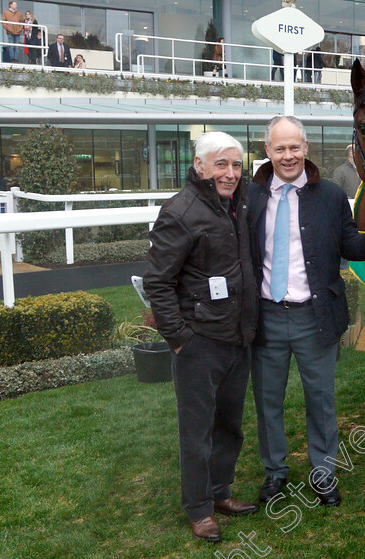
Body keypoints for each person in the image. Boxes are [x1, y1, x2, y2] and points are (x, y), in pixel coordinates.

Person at [248, 116, 365, 508]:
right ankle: (275, 472)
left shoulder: (328, 195)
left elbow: (349, 244)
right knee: (268, 400)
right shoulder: (252, 196)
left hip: (316, 317)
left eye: (295, 147)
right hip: (267, 316)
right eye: (280, 148)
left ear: (306, 148)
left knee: (321, 400)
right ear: (268, 152)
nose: (288, 155)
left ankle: (323, 472)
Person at [143, 131, 260, 542]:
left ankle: (219, 492)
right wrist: (179, 339)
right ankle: (198, 508)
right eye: (221, 164)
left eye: (236, 165)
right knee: (197, 430)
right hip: (198, 342)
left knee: (229, 424)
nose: (230, 173)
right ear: (199, 166)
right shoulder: (180, 211)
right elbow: (158, 282)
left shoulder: (240, 202)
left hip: (236, 338)